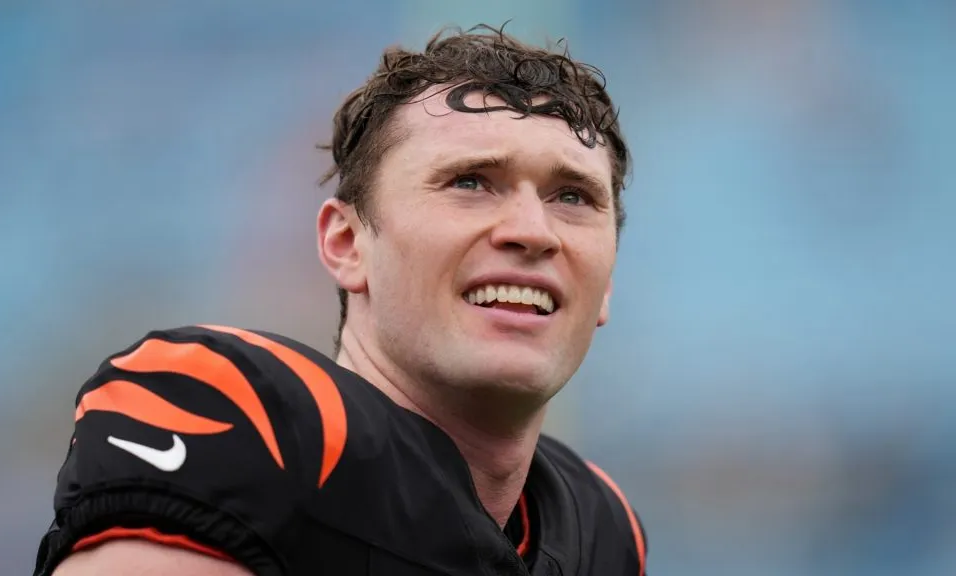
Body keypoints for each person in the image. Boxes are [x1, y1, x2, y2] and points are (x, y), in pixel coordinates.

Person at [35, 24, 647, 576]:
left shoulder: (601, 529)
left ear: (607, 281)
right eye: (470, 182)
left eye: (571, 197)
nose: (533, 231)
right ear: (347, 242)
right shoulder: (239, 418)